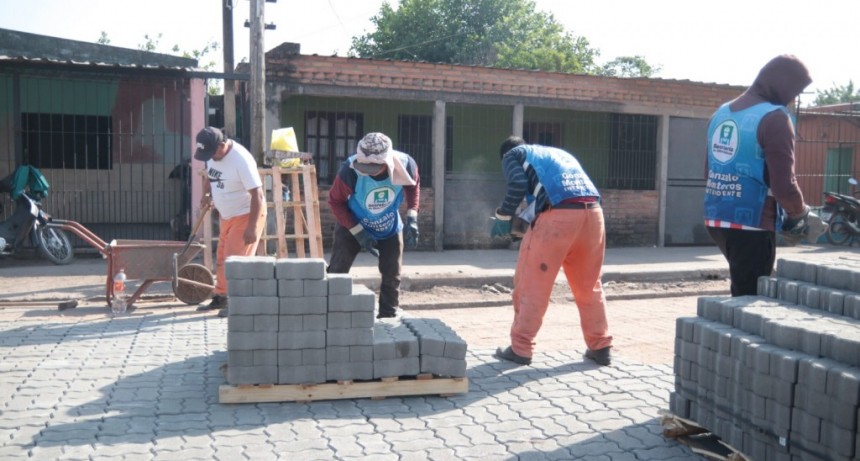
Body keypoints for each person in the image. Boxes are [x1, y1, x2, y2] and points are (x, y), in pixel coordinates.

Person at [704, 55, 826, 297]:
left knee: (742, 291)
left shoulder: (721, 113)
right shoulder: (775, 117)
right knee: (751, 302)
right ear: (781, 83)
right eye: (795, 91)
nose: (793, 99)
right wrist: (799, 214)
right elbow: (784, 186)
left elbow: (707, 171)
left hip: (715, 218)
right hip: (752, 224)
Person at [491, 136, 613, 366]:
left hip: (558, 219)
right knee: (589, 286)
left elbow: (517, 184)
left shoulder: (513, 155)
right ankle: (601, 347)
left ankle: (521, 349)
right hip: (593, 215)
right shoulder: (557, 155)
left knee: (531, 284)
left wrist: (503, 215)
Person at [327, 132, 420, 319]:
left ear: (387, 162)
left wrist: (412, 216)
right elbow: (335, 202)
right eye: (364, 165)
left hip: (389, 227)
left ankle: (388, 317)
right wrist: (358, 232)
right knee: (337, 271)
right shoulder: (350, 170)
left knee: (392, 275)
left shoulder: (406, 165)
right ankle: (330, 315)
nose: (365, 170)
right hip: (352, 224)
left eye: (372, 167)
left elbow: (413, 186)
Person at [194, 126, 266, 317]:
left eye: (211, 153)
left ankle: (238, 303)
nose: (209, 157)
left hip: (246, 215)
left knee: (236, 261)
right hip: (227, 216)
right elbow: (209, 175)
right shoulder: (211, 154)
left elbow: (257, 195)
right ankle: (222, 297)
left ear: (221, 145)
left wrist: (251, 227)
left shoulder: (241, 159)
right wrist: (206, 194)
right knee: (222, 259)